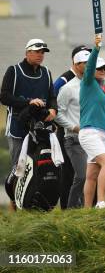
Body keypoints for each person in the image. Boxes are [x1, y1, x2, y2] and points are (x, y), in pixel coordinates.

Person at [1, 39, 57, 210]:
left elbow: (52, 96)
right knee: (19, 168)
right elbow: (4, 96)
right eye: (37, 51)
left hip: (40, 128)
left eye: (43, 52)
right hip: (18, 127)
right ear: (27, 52)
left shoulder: (46, 73)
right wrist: (29, 102)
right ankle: (15, 209)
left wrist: (53, 110)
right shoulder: (14, 71)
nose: (40, 55)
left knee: (39, 167)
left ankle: (34, 207)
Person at [53, 44, 91, 209]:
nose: (89, 64)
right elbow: (55, 109)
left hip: (85, 135)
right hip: (67, 134)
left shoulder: (89, 82)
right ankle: (67, 209)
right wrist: (72, 127)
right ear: (75, 62)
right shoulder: (65, 81)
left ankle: (80, 207)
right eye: (84, 60)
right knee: (69, 174)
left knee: (82, 174)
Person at [79, 34, 105, 209]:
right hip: (90, 132)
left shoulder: (103, 87)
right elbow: (90, 66)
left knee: (92, 173)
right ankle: (100, 201)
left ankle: (86, 210)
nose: (102, 70)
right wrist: (96, 48)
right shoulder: (88, 83)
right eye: (99, 67)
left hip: (102, 133)